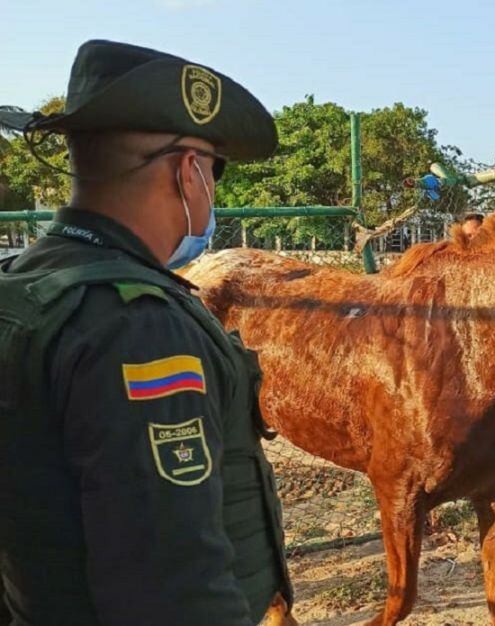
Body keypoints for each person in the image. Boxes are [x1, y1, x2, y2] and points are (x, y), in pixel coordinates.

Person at [0, 41, 293, 626]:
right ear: (188, 172)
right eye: (215, 168)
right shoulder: (138, 327)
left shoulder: (24, 281)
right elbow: (174, 589)